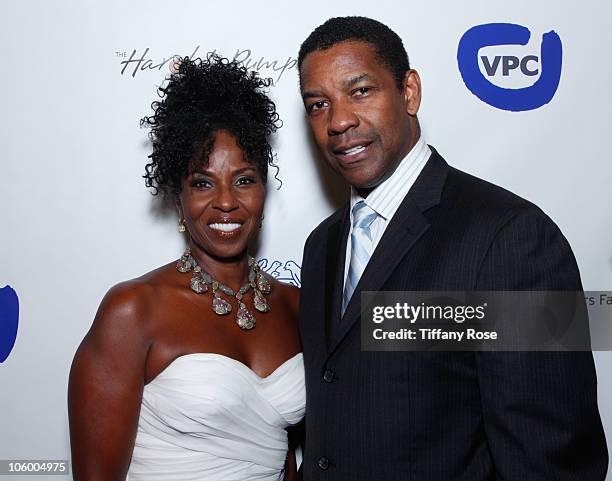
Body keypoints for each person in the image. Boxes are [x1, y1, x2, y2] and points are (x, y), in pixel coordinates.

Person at [297, 16, 608, 480]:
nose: (338, 120)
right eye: (318, 104)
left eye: (360, 91)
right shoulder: (322, 244)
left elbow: (553, 457)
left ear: (410, 92)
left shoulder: (512, 238)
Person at [68, 56, 304, 481]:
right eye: (202, 182)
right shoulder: (133, 311)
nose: (227, 201)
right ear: (178, 198)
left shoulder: (294, 305)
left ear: (264, 191)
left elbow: (277, 451)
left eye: (244, 179)